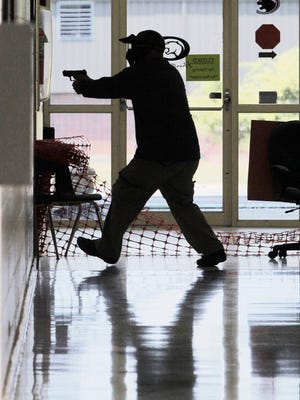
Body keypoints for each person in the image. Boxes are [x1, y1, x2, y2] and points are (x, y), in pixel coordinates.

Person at [72, 29, 226, 267]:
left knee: (125, 191)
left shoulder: (144, 72)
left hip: (157, 156)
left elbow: (111, 87)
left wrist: (84, 85)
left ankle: (108, 248)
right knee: (183, 204)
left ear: (149, 50)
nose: (132, 52)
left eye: (137, 47)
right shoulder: (167, 71)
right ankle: (212, 249)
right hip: (185, 154)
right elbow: (119, 84)